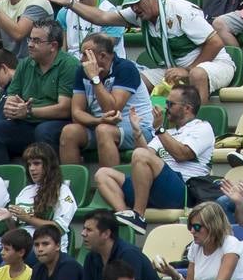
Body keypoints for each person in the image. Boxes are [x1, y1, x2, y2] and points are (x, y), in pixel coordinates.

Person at [90, 83, 215, 236]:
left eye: (170, 104)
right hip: (155, 187)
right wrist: (137, 132)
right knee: (102, 174)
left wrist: (159, 130)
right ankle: (127, 214)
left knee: (140, 155)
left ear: (187, 108)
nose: (165, 107)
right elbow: (145, 154)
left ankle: (139, 215)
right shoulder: (167, 132)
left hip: (182, 190)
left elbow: (182, 154)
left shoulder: (202, 127)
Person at [0, 20, 76, 167]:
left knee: (44, 131)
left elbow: (64, 109)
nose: (30, 44)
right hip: (27, 122)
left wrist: (29, 111)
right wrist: (12, 108)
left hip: (57, 123)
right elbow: (10, 100)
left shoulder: (69, 65)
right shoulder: (24, 64)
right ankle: (2, 181)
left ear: (53, 46)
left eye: (36, 41)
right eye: (30, 39)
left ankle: (50, 180)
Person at [60, 32, 153, 167]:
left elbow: (112, 109)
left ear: (102, 56)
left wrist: (95, 79)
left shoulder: (126, 69)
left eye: (86, 54)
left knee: (104, 131)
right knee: (69, 132)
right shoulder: (82, 71)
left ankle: (109, 184)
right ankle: (69, 185)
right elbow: (76, 113)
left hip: (138, 129)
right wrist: (99, 120)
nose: (81, 59)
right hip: (100, 125)